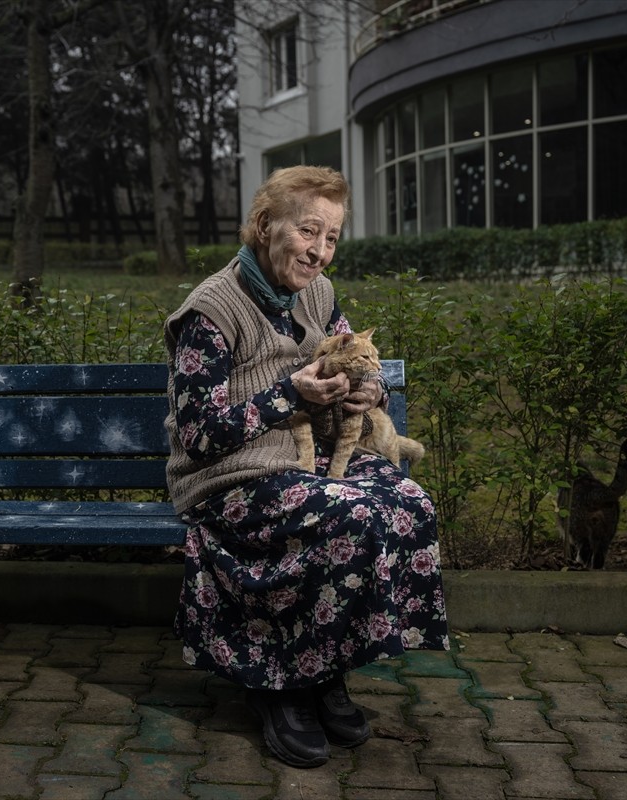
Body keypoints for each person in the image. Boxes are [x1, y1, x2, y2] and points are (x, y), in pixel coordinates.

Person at [162, 165, 449, 769]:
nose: (320, 252)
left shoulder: (318, 294)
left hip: (307, 464)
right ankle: (279, 684)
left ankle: (326, 668)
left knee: (408, 504)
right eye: (308, 232)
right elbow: (198, 435)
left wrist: (371, 396)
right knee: (348, 516)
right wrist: (288, 397)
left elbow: (359, 367)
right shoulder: (209, 312)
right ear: (266, 227)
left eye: (333, 238)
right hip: (228, 477)